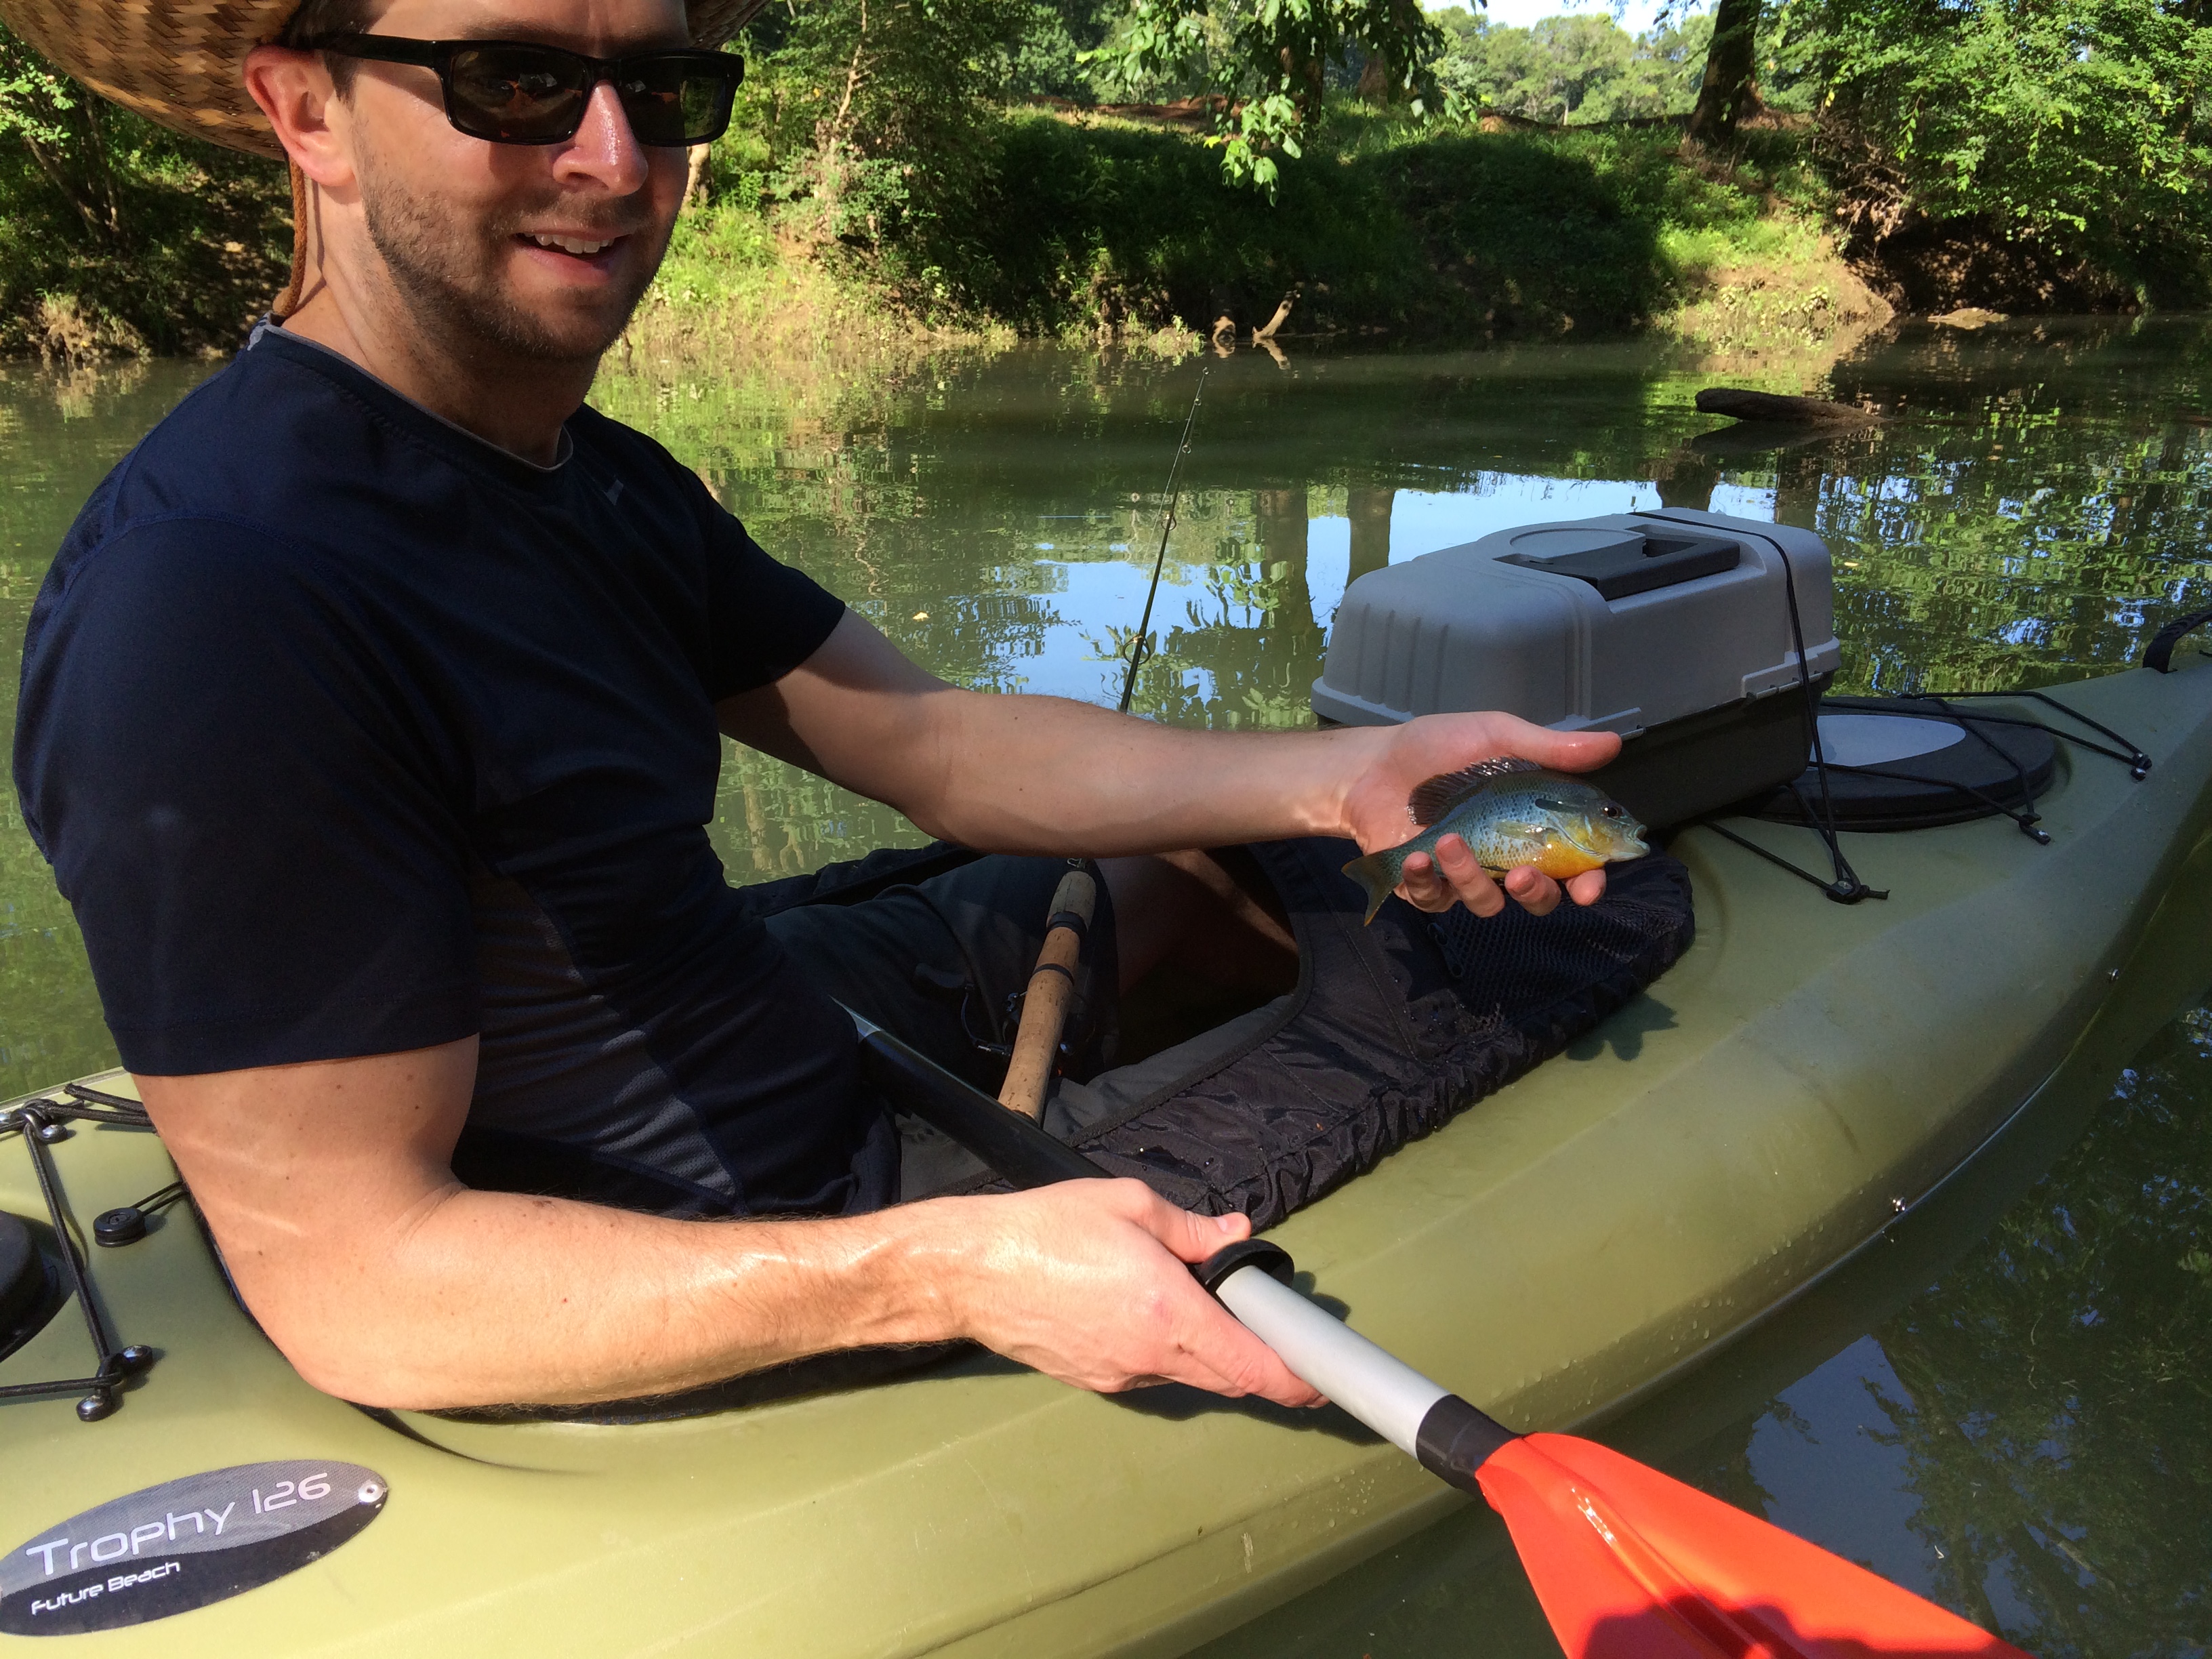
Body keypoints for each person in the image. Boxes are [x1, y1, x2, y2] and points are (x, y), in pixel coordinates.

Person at [8, 0, 1620, 1413]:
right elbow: (358, 1284)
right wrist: (945, 1270)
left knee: (1232, 869)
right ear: (307, 111)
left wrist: (1349, 777)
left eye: (661, 89)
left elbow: (925, 740)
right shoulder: (218, 601)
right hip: (743, 1227)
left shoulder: (589, 478)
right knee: (1551, 951)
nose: (616, 161)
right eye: (515, 80)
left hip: (786, 1036)